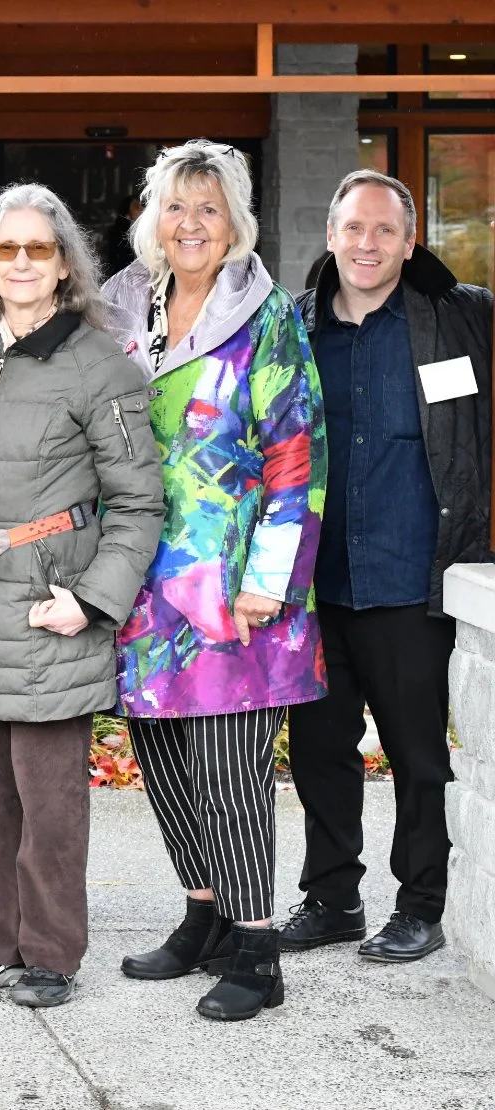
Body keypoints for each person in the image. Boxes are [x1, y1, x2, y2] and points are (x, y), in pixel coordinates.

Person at [0, 184, 164, 1009]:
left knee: (50, 804)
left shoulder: (102, 366)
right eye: (4, 248)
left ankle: (51, 951)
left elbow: (138, 503)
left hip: (52, 611)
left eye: (38, 249)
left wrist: (92, 602)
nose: (21, 263)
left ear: (65, 266)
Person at [102, 140, 327, 1022]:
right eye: (175, 206)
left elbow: (295, 460)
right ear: (153, 218)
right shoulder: (124, 308)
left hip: (234, 592)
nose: (189, 223)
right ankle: (202, 916)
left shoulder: (266, 319)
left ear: (235, 222)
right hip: (141, 585)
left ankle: (259, 949)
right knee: (162, 761)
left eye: (208, 208)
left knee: (228, 771)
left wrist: (267, 581)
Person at [286, 169, 493, 964]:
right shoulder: (297, 327)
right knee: (319, 751)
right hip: (317, 583)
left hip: (416, 580)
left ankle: (421, 903)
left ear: (411, 242)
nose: (366, 244)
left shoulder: (458, 320)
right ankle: (332, 896)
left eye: (385, 230)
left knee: (417, 755)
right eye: (352, 228)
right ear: (330, 236)